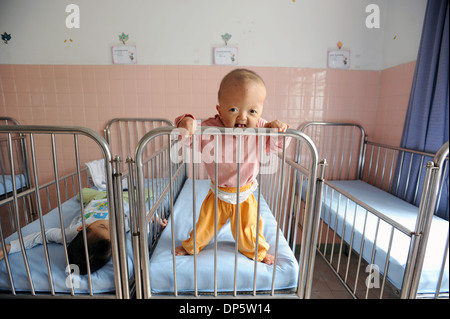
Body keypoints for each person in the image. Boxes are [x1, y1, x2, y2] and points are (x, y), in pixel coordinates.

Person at [174, 68, 289, 265]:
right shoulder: (211, 128)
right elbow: (186, 137)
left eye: (252, 111)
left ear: (260, 111)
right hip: (218, 193)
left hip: (244, 195)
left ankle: (258, 253)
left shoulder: (261, 129)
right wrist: (186, 121)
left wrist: (279, 131)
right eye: (234, 109)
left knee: (249, 230)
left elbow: (278, 146)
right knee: (204, 226)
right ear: (220, 110)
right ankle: (191, 247)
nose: (243, 117)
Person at [0, 198, 168, 274]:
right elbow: (140, 215)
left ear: (82, 227)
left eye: (104, 226)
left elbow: (43, 235)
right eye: (109, 230)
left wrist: (9, 247)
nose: (110, 226)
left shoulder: (71, 233)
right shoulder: (119, 226)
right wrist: (155, 219)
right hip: (109, 204)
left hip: (99, 202)